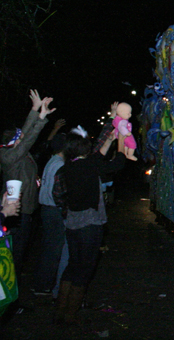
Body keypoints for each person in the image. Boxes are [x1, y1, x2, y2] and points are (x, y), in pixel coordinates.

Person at [52, 128, 128, 325]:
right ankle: (71, 314)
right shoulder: (89, 165)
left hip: (73, 222)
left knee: (72, 266)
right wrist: (121, 140)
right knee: (85, 269)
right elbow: (118, 163)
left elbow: (97, 155)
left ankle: (60, 309)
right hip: (89, 223)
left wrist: (111, 138)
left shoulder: (67, 167)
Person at [0, 89, 56, 265]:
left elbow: (24, 135)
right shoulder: (8, 156)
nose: (21, 139)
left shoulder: (15, 152)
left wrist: (35, 110)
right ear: (12, 143)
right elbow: (27, 140)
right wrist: (40, 120)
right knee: (14, 256)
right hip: (16, 211)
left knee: (21, 252)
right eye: (19, 139)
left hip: (26, 210)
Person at [32, 132, 67, 297]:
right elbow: (57, 192)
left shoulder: (52, 161)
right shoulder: (59, 164)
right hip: (53, 210)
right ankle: (44, 285)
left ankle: (40, 282)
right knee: (53, 249)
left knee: (48, 247)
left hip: (46, 209)